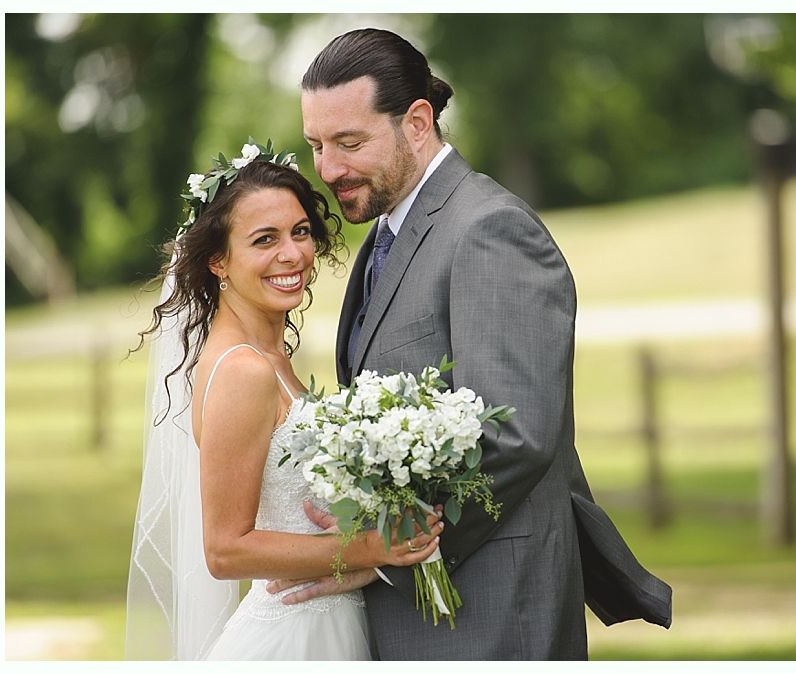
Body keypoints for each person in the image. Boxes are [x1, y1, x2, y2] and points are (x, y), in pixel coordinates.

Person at [268, 28, 673, 660]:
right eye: (317, 144)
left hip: (489, 610)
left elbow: (515, 436)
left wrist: (385, 555)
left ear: (418, 121)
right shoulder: (382, 238)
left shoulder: (489, 231)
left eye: (350, 143)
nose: (327, 169)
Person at [124, 143, 442, 660]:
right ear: (218, 262)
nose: (292, 254)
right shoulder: (243, 371)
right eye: (264, 240)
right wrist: (374, 547)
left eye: (299, 232)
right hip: (291, 638)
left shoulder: (269, 356)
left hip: (330, 621)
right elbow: (225, 550)